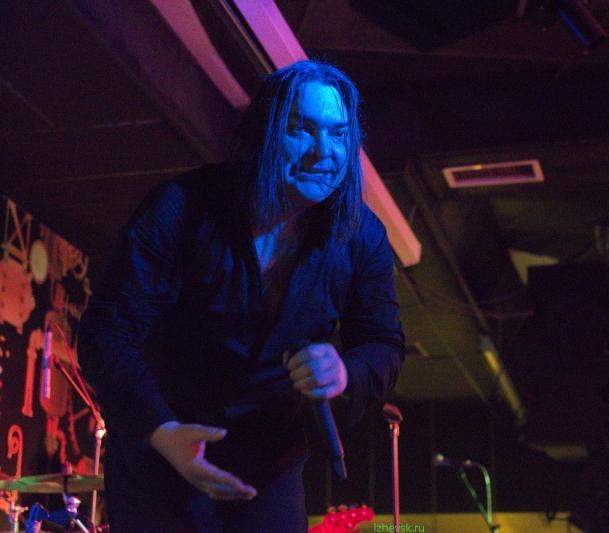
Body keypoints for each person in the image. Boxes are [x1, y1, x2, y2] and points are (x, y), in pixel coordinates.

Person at [77, 60, 405, 532]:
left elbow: (383, 344)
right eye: (302, 129)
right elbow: (107, 332)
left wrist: (343, 372)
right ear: (265, 133)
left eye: (338, 134)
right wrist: (162, 430)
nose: (323, 152)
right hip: (162, 454)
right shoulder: (182, 206)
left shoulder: (362, 235)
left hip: (267, 470)